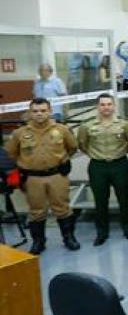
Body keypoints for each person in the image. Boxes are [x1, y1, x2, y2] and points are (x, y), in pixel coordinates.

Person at [5, 98, 79, 254]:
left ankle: (69, 238)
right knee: (36, 211)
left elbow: (72, 147)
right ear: (30, 113)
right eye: (35, 111)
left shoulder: (62, 130)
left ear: (50, 111)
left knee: (63, 208)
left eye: (43, 110)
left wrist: (61, 161)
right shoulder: (20, 133)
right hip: (33, 179)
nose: (39, 114)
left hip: (57, 175)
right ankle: (39, 241)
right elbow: (11, 153)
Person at [77, 93, 128, 246]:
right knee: (100, 201)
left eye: (109, 104)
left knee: (124, 199)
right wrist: (96, 155)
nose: (106, 107)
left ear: (114, 106)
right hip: (98, 166)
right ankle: (102, 232)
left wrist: (119, 154)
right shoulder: (87, 125)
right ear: (97, 107)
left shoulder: (124, 124)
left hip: (120, 164)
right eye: (102, 104)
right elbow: (83, 144)